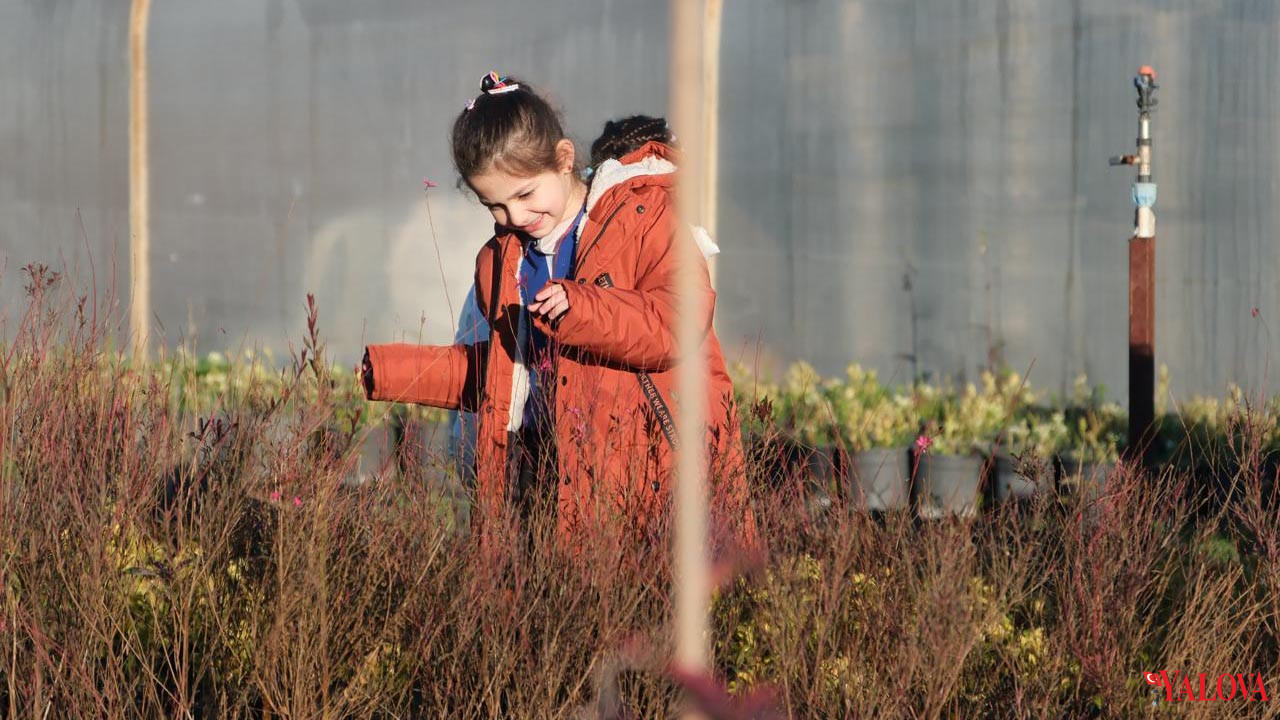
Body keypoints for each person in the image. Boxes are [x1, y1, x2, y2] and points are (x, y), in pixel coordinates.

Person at [361, 72, 752, 549]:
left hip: (653, 469)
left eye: (525, 195)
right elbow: (507, 373)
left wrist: (582, 308)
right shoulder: (503, 260)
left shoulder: (642, 218)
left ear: (564, 159)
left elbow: (677, 321)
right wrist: (392, 371)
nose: (515, 218)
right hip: (552, 473)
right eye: (495, 207)